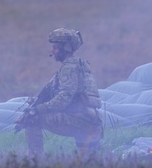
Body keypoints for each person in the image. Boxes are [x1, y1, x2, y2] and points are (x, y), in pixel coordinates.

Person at [16, 28, 103, 159]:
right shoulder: (80, 66)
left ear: (66, 48)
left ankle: (35, 163)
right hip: (92, 123)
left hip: (80, 121)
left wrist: (36, 111)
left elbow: (64, 98)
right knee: (89, 166)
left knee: (32, 121)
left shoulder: (69, 69)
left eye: (55, 48)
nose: (52, 51)